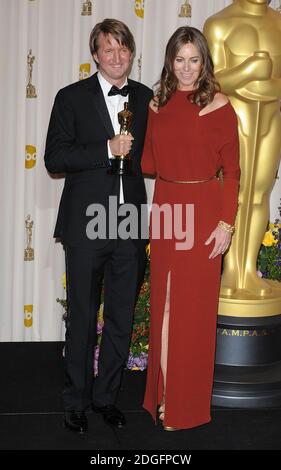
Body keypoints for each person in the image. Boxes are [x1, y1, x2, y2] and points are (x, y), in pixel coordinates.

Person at [44, 18, 153, 434]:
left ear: (131, 52)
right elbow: (55, 157)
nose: (117, 56)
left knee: (121, 318)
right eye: (108, 49)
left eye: (123, 48)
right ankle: (75, 401)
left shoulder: (146, 98)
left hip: (128, 221)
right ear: (95, 54)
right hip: (87, 222)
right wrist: (105, 150)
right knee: (84, 316)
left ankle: (106, 397)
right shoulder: (70, 97)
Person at [141, 26, 240, 430]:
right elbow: (149, 164)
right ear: (170, 61)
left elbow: (232, 173)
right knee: (164, 305)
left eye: (193, 60)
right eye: (179, 60)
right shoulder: (155, 103)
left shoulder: (220, 105)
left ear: (204, 62)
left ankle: (186, 405)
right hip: (167, 209)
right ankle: (165, 397)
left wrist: (226, 225)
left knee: (194, 313)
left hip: (203, 213)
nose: (185, 68)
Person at [204, 0, 281, 297]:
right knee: (233, 194)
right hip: (233, 123)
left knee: (260, 193)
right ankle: (230, 271)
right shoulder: (219, 24)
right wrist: (249, 70)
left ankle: (248, 269)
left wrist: (264, 87)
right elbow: (210, 81)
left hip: (271, 120)